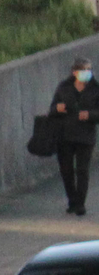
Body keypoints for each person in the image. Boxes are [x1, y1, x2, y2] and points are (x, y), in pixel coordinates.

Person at [51, 56, 98, 216]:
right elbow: (52, 110)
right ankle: (72, 200)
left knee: (82, 170)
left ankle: (80, 204)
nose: (87, 73)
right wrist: (57, 108)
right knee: (66, 170)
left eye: (89, 70)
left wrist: (90, 115)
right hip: (65, 135)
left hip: (85, 136)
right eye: (83, 70)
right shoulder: (63, 88)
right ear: (74, 72)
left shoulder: (95, 89)